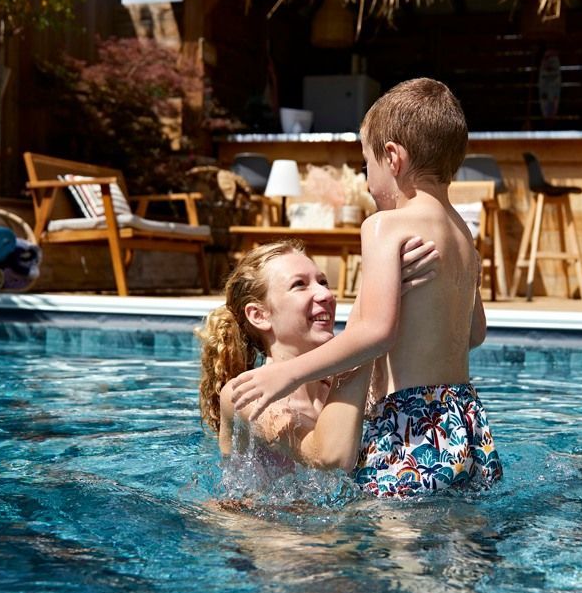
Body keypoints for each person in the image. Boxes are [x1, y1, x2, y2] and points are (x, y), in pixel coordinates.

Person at [226, 78, 501, 499]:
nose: (368, 182)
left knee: (401, 548)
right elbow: (474, 334)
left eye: (365, 166)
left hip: (411, 424)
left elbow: (375, 333)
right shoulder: (464, 234)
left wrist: (287, 372)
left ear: (392, 157)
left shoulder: (384, 226)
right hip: (465, 421)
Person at [197, 237, 438, 478]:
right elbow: (329, 457)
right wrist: (366, 328)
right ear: (259, 315)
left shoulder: (334, 386)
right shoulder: (245, 394)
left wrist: (392, 291)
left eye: (323, 282)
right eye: (300, 285)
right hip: (251, 517)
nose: (325, 294)